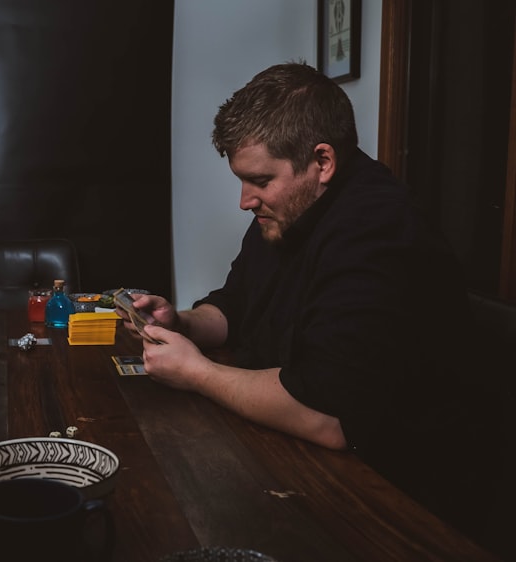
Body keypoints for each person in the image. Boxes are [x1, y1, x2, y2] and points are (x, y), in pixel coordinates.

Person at [121, 62, 502, 542]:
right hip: (302, 453)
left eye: (260, 180)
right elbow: (235, 305)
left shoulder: (377, 231)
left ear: (322, 161)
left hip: (401, 497)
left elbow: (327, 417)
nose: (245, 200)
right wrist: (184, 323)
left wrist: (196, 372)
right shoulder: (287, 208)